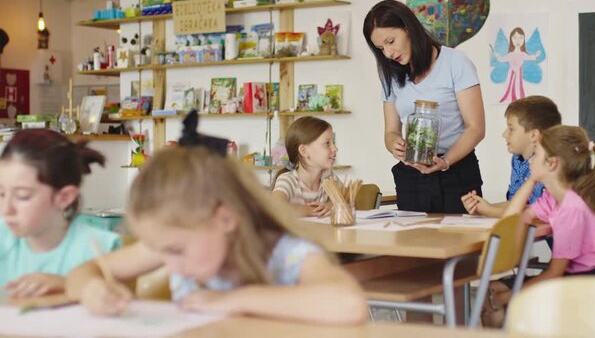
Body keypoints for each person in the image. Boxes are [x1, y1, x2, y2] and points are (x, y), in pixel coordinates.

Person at [66, 146, 366, 324]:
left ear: (224, 219)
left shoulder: (284, 253)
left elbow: (349, 303)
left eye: (177, 251)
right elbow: (82, 273)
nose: (170, 265)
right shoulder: (172, 245)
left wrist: (236, 299)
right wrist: (92, 288)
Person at [481, 125, 595, 327]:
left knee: (503, 299)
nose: (532, 158)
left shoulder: (572, 209)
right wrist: (531, 178)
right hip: (575, 276)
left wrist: (510, 297)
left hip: (593, 282)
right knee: (492, 288)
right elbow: (514, 216)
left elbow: (555, 273)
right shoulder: (552, 197)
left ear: (552, 163)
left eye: (536, 153)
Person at [363, 0, 485, 213]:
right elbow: (391, 131)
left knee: (461, 242)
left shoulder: (455, 62)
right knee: (412, 244)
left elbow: (476, 128)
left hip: (457, 173)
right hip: (412, 178)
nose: (389, 53)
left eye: (391, 41)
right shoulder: (391, 76)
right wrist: (395, 145)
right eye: (381, 48)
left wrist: (445, 161)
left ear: (408, 28)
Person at [0, 129, 120, 298]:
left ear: (64, 198)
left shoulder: (100, 247)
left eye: (22, 196)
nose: (6, 209)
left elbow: (118, 308)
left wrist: (67, 284)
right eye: (1, 194)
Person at [461, 95, 561, 217]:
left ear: (533, 135)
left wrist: (489, 211)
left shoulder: (550, 166)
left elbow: (535, 212)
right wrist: (482, 207)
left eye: (511, 129)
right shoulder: (518, 159)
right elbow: (516, 203)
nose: (504, 134)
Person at [272, 116, 337, 217]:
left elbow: (350, 201)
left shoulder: (329, 177)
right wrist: (311, 211)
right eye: (327, 143)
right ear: (304, 151)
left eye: (333, 142)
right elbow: (274, 208)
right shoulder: (288, 180)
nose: (335, 148)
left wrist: (331, 205)